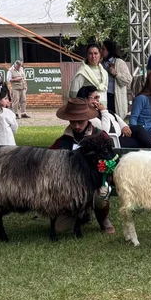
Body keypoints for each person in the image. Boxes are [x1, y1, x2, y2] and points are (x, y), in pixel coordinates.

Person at [50, 98, 115, 234]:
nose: (76, 126)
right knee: (61, 229)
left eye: (80, 122)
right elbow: (49, 164)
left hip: (96, 184)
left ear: (87, 119)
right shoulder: (62, 141)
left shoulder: (101, 136)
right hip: (69, 190)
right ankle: (81, 215)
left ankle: (103, 219)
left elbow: (112, 160)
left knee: (101, 195)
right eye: (73, 122)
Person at [78, 85, 151, 148]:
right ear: (85, 100)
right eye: (95, 98)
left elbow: (115, 117)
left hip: (121, 132)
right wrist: (103, 111)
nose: (98, 100)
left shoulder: (98, 109)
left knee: (139, 129)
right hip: (113, 139)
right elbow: (104, 131)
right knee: (138, 142)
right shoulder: (89, 117)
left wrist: (124, 126)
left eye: (98, 97)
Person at [101, 39, 133, 117]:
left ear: (109, 50)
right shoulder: (101, 63)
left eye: (103, 49)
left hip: (115, 97)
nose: (101, 51)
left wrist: (116, 74)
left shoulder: (119, 62)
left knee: (115, 119)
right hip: (103, 96)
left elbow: (128, 79)